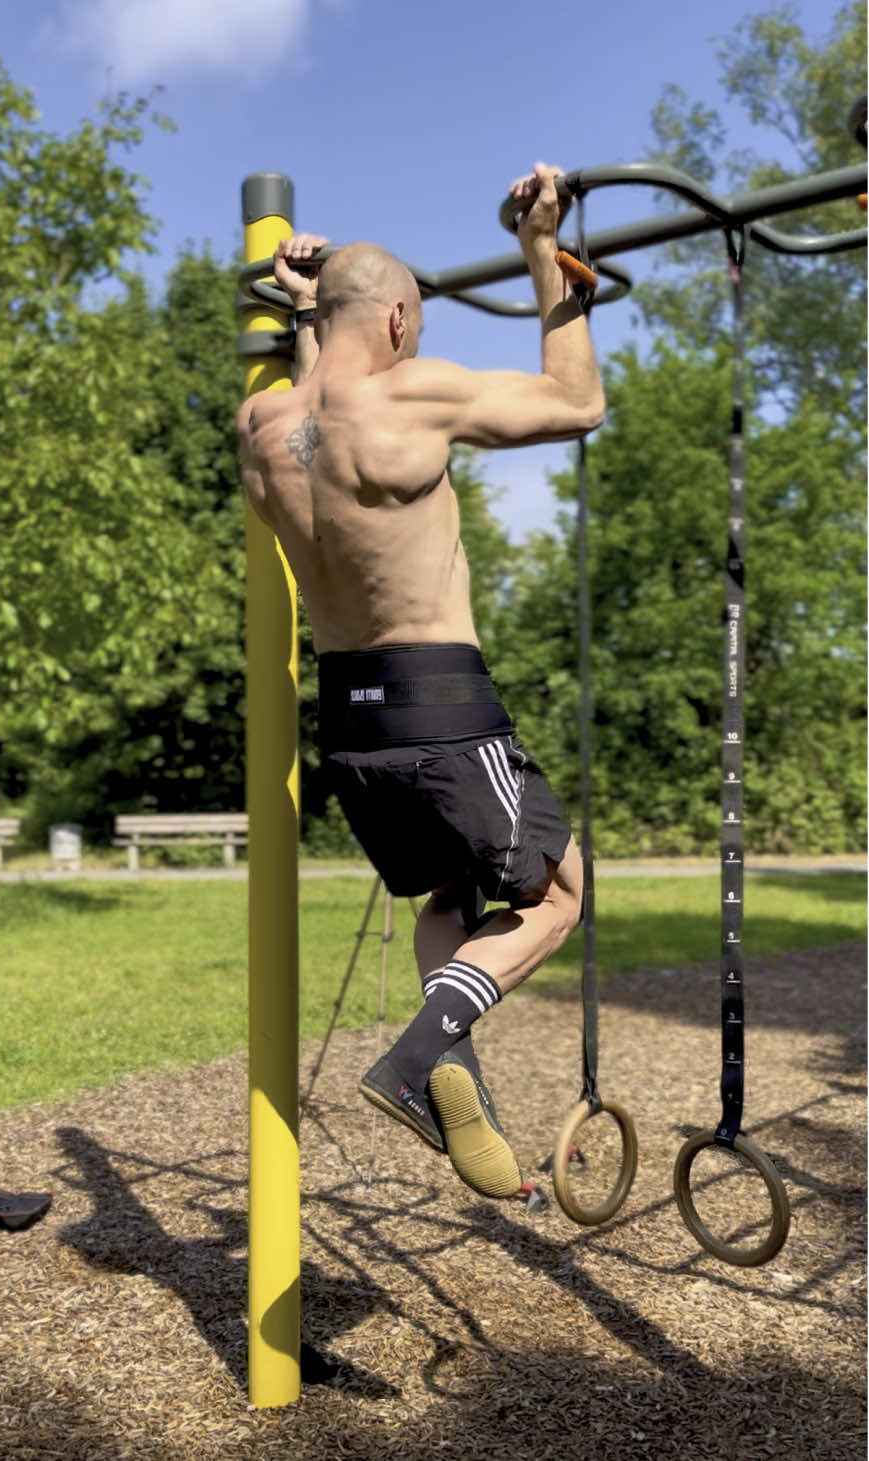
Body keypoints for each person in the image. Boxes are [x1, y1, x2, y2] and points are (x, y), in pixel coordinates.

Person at [236, 164, 604, 1199]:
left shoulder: (261, 430)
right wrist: (542, 248)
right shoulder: (414, 393)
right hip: (441, 701)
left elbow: (320, 406)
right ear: (399, 319)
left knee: (453, 891)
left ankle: (448, 1061)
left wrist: (302, 309)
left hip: (349, 718)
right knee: (562, 895)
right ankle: (421, 1053)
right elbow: (580, 403)